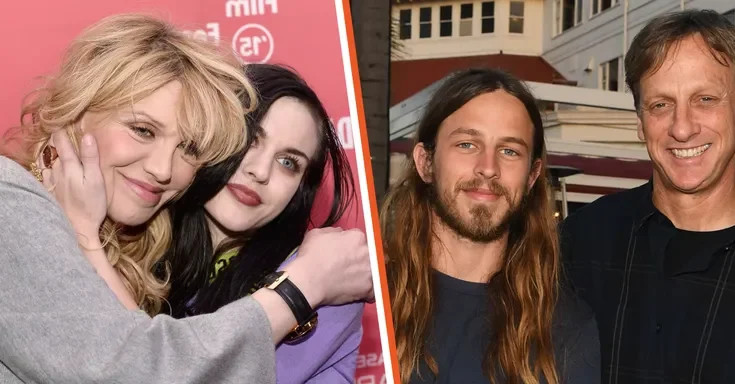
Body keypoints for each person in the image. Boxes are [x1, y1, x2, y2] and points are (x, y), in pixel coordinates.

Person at [0, 13, 373, 384]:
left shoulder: (140, 248)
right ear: (78, 112)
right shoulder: (13, 201)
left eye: (190, 147)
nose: (163, 168)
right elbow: (144, 368)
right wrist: (300, 287)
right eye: (142, 130)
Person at [381, 67, 600, 384]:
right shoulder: (370, 301)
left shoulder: (565, 329)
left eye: (509, 150)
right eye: (467, 144)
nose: (488, 168)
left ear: (532, 176)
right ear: (425, 162)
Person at [559, 9, 735, 384]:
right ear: (640, 122)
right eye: (661, 105)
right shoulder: (581, 242)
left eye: (705, 99)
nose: (683, 127)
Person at [160, 63, 364, 384]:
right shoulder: (133, 246)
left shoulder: (329, 290)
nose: (260, 171)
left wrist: (302, 287)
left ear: (301, 189)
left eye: (288, 162)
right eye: (250, 138)